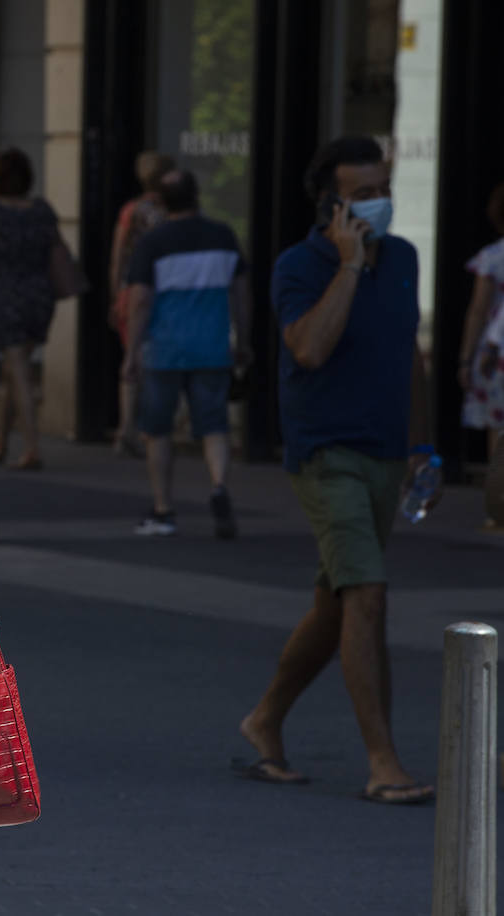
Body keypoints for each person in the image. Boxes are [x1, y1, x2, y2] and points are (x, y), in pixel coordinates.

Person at [238, 136, 434, 805]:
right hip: (328, 456)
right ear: (331, 203)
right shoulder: (301, 265)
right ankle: (384, 763)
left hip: (385, 454)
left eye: (385, 187)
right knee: (368, 596)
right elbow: (310, 349)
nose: (380, 202)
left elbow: (410, 353)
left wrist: (423, 444)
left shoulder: (404, 257)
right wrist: (348, 268)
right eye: (365, 193)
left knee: (338, 601)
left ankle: (264, 720)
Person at [121, 169, 252, 538]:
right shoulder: (223, 237)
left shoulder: (153, 242)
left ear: (161, 202)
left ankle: (163, 508)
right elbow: (241, 294)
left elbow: (140, 301)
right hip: (212, 348)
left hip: (165, 350)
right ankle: (219, 486)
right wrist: (242, 340)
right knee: (214, 426)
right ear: (197, 196)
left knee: (157, 430)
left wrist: (131, 351)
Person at [0, 148, 60, 470]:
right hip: (40, 294)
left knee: (19, 369)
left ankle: (33, 446)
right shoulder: (42, 211)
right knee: (15, 368)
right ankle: (2, 441)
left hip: (6, 292)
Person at [108, 150, 174, 457]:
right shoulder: (171, 211)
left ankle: (127, 427)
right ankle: (150, 426)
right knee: (156, 360)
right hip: (165, 290)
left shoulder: (131, 211)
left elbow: (119, 256)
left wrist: (115, 293)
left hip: (131, 290)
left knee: (131, 356)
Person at [457, 181, 504, 522]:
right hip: (495, 351)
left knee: (497, 434)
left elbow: (478, 310)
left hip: (495, 355)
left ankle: (497, 506)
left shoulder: (493, 257)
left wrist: (467, 357)